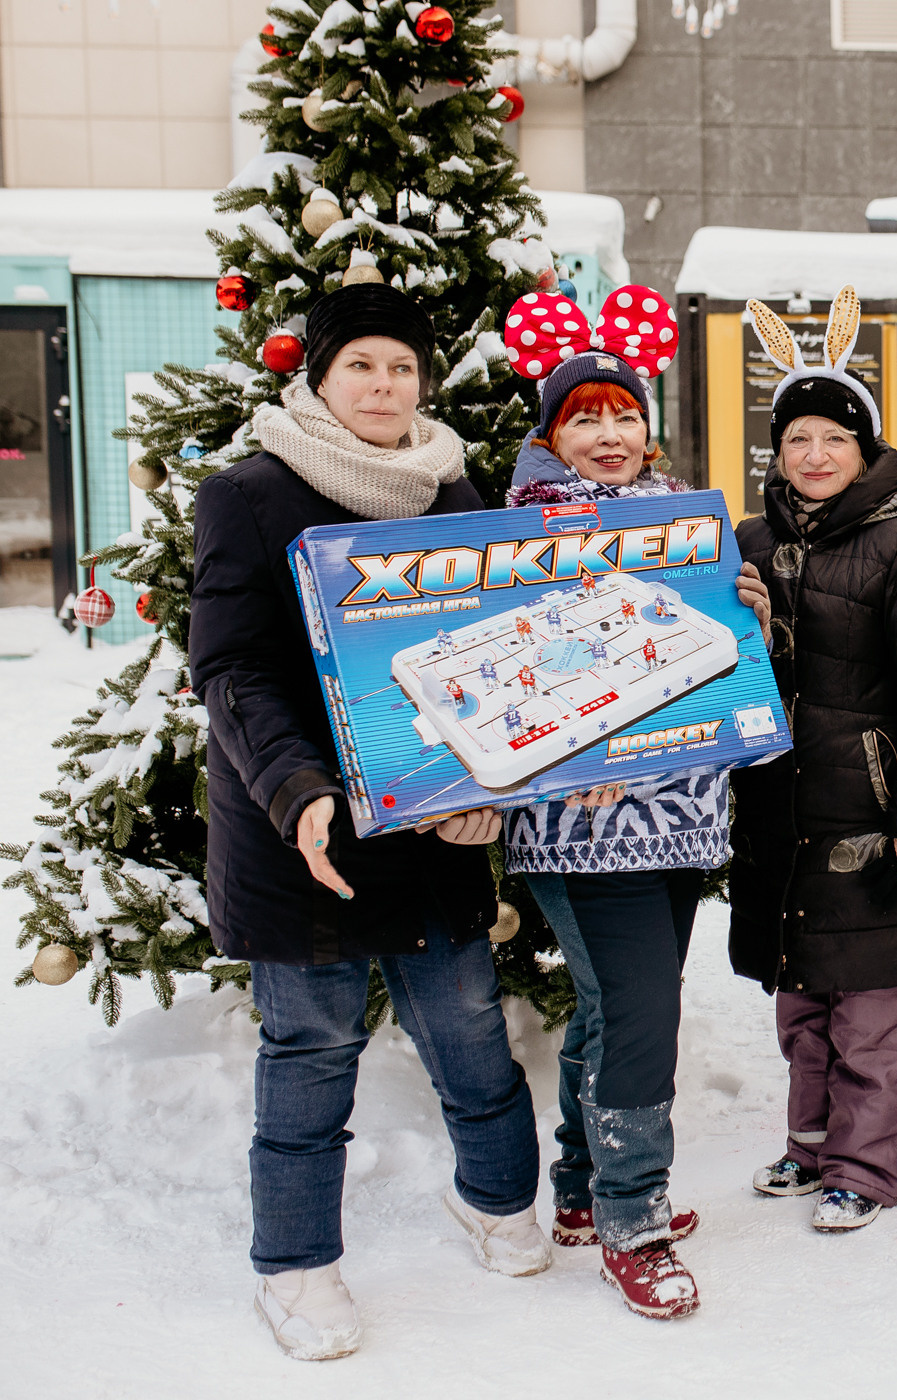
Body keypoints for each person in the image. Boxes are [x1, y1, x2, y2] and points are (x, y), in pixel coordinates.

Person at [189, 283, 548, 1362]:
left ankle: (493, 1195)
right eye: (362, 367)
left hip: (433, 821)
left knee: (471, 1025)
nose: (384, 386)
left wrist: (493, 781)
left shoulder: (454, 489)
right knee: (310, 1044)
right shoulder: (250, 491)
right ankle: (295, 1266)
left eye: (401, 367)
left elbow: (501, 649)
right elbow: (231, 665)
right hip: (299, 828)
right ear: (320, 377)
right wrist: (300, 789)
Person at [499, 342, 773, 1319]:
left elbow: (710, 656)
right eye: (586, 418)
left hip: (680, 811)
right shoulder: (517, 536)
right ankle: (630, 1214)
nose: (609, 435)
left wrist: (750, 612)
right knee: (644, 1009)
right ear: (551, 433)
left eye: (624, 415)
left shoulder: (683, 519)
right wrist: (588, 757)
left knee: (616, 1003)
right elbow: (512, 681)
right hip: (583, 821)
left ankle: (579, 1186)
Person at [728, 289, 897, 1233]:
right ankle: (811, 1145)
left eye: (836, 438)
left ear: (866, 450)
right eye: (798, 441)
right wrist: (743, 623)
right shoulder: (748, 544)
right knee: (803, 1006)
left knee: (874, 1010)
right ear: (778, 452)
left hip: (868, 818)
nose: (816, 456)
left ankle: (864, 1168)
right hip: (781, 812)